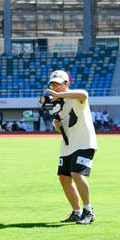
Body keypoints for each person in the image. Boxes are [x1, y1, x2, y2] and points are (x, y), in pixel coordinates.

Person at [45, 70, 98, 225]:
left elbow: (84, 94)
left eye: (58, 84)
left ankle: (88, 210)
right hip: (68, 145)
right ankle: (77, 212)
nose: (55, 87)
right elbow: (60, 129)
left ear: (67, 84)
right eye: (53, 85)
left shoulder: (75, 97)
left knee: (76, 173)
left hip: (84, 142)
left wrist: (60, 95)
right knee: (64, 178)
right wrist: (57, 125)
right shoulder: (56, 105)